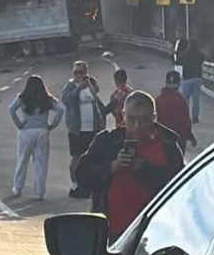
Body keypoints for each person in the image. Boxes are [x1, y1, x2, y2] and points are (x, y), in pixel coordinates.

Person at [75, 91, 184, 240]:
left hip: (152, 237)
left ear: (154, 118)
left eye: (144, 120)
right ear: (123, 115)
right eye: (132, 119)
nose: (137, 126)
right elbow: (82, 175)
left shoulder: (168, 148)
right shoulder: (106, 141)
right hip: (110, 235)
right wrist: (112, 167)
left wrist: (144, 170)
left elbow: (180, 189)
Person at [8, 76, 65, 200]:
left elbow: (11, 109)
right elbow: (60, 109)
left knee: (22, 160)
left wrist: (18, 123)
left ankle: (18, 188)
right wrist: (53, 125)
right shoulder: (47, 99)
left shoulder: (22, 98)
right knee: (41, 163)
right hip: (42, 131)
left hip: (26, 131)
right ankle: (39, 191)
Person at [62, 60, 112, 198]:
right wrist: (79, 87)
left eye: (81, 72)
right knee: (76, 158)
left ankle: (89, 185)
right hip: (77, 129)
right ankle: (75, 185)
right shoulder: (70, 86)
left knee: (92, 157)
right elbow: (67, 100)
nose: (79, 75)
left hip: (92, 128)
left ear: (86, 73)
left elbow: (97, 102)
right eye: (76, 72)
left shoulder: (90, 85)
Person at [155, 71, 196, 151]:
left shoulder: (159, 100)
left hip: (162, 138)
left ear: (166, 82)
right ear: (179, 83)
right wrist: (191, 137)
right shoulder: (181, 100)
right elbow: (185, 122)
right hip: (178, 140)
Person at [174, 40, 205, 123]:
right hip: (197, 78)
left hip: (187, 79)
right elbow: (203, 59)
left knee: (185, 99)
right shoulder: (200, 55)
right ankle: (195, 117)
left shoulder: (184, 55)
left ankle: (185, 116)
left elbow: (178, 61)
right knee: (196, 100)